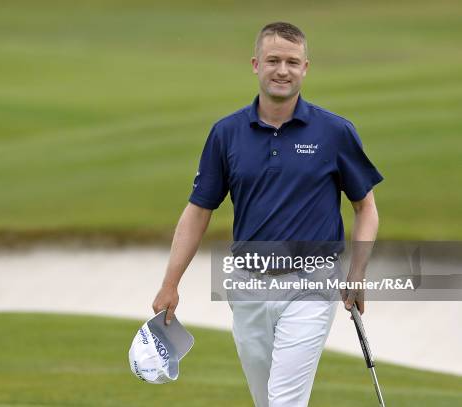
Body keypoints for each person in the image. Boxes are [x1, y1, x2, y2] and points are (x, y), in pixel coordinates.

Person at [152, 22, 383, 407]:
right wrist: (170, 283)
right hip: (248, 286)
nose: (282, 70)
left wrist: (357, 271)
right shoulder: (226, 133)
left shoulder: (335, 131)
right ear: (256, 65)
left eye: (292, 62)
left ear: (305, 68)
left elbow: (367, 208)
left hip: (312, 283)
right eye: (273, 60)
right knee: (266, 400)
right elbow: (198, 211)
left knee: (284, 401)